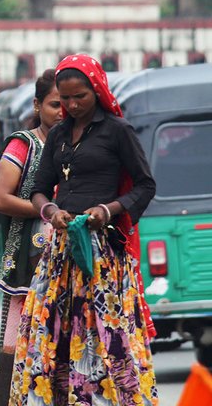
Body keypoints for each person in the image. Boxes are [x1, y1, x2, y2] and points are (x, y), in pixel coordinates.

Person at [11, 55, 158, 405]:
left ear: (97, 90)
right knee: (53, 333)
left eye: (81, 97)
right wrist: (51, 211)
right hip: (61, 252)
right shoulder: (60, 133)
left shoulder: (117, 131)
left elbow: (145, 185)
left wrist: (107, 210)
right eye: (65, 99)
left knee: (106, 332)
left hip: (103, 255)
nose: (73, 105)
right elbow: (38, 189)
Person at [0, 70, 63, 406]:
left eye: (71, 103)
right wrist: (48, 212)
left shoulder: (78, 143)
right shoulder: (25, 143)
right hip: (27, 259)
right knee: (20, 341)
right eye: (54, 104)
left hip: (68, 257)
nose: (63, 111)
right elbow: (0, 198)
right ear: (38, 105)